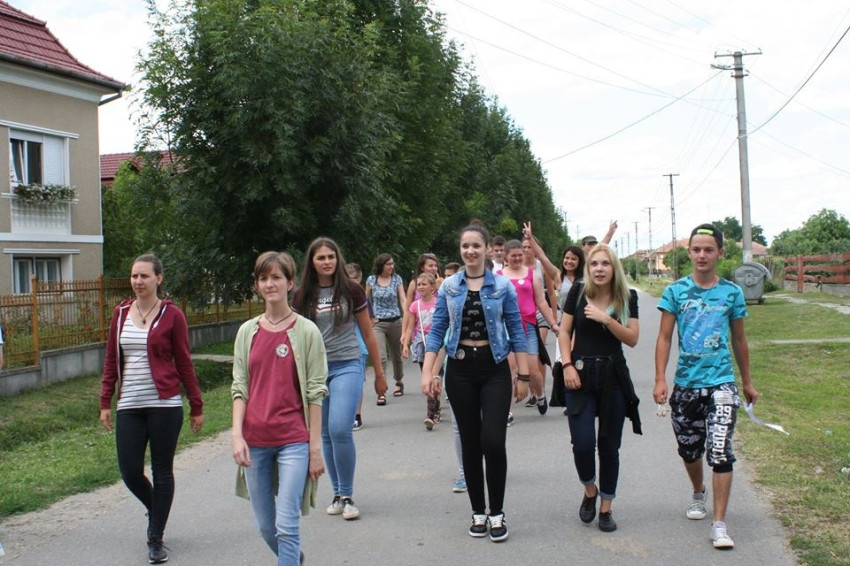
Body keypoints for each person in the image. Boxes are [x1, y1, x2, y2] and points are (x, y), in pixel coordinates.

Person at [420, 224, 529, 543]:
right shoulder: (449, 286)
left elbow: (516, 330)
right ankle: (478, 512)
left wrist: (523, 375)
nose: (470, 251)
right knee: (470, 443)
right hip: (460, 370)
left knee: (493, 441)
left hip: (494, 369)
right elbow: (438, 330)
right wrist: (428, 372)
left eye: (476, 246)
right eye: (465, 246)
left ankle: (498, 512)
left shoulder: (503, 286)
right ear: (460, 249)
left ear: (486, 249)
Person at [653, 223, 759, 550]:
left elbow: (739, 339)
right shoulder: (675, 292)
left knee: (720, 450)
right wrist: (660, 378)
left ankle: (719, 524)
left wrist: (747, 381)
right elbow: (665, 337)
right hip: (686, 384)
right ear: (689, 253)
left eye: (708, 250)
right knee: (689, 448)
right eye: (697, 249)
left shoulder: (731, 293)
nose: (702, 255)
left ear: (720, 253)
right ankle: (698, 491)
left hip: (721, 382)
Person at [99, 254, 204, 564]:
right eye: (134, 276)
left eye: (144, 276)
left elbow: (184, 362)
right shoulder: (120, 314)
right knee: (130, 471)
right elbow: (110, 360)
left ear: (159, 278)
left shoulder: (173, 315)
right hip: (129, 405)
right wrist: (105, 400)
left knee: (162, 471)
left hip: (164, 405)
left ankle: (155, 537)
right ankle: (156, 509)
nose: (138, 281)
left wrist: (196, 404)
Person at [231, 252, 328, 566]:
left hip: (293, 440)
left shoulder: (307, 332)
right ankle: (294, 559)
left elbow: (315, 393)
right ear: (257, 285)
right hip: (255, 441)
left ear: (290, 283)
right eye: (263, 278)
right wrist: (237, 435)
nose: (269, 284)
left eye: (276, 277)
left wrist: (315, 448)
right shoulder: (247, 332)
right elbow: (239, 387)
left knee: (287, 525)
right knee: (266, 527)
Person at [293, 238, 388, 520]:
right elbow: (295, 337)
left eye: (331, 257)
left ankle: (347, 495)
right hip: (315, 370)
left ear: (338, 259)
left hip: (347, 363)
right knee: (324, 433)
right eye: (321, 257)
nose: (327, 262)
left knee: (339, 429)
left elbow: (368, 333)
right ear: (312, 262)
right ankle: (337, 493)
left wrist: (379, 374)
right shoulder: (301, 295)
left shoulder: (352, 290)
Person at [556, 243, 641, 533]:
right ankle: (590, 490)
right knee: (582, 443)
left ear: (614, 267)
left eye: (605, 264)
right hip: (579, 373)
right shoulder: (578, 292)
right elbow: (564, 332)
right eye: (594, 264)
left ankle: (606, 507)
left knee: (609, 445)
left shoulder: (627, 296)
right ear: (588, 268)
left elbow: (632, 338)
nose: (600, 269)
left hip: (613, 375)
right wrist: (567, 365)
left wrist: (607, 319)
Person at [498, 239, 559, 415]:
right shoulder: (499, 276)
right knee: (510, 371)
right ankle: (508, 412)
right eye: (513, 256)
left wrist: (553, 323)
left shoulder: (531, 275)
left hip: (528, 326)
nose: (517, 258)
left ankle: (540, 395)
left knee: (533, 370)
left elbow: (541, 301)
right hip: (507, 328)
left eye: (520, 255)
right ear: (506, 256)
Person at [365, 253, 407, 398]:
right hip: (378, 323)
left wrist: (406, 317)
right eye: (388, 264)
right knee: (381, 357)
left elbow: (403, 299)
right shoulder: (371, 280)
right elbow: (366, 300)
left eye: (392, 263)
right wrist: (369, 318)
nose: (391, 266)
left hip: (395, 321)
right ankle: (381, 391)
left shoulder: (396, 279)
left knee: (396, 356)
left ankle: (398, 381)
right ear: (381, 265)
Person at [402, 273, 440, 429]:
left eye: (424, 284)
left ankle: (431, 413)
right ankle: (435, 407)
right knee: (427, 376)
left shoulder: (439, 303)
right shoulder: (414, 306)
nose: (421, 287)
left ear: (432, 287)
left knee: (434, 376)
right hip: (421, 343)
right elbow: (410, 327)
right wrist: (405, 344)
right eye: (419, 284)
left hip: (437, 343)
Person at [345, 263, 369, 431]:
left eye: (352, 278)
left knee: (357, 383)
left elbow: (370, 323)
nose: (349, 282)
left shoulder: (361, 297)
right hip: (337, 349)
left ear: (359, 278)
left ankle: (357, 415)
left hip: (358, 346)